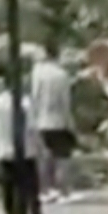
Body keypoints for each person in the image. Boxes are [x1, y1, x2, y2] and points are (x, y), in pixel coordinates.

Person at [0, 80, 47, 214]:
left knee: (8, 189)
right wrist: (40, 147)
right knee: (31, 190)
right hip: (26, 151)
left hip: (4, 150)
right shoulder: (26, 103)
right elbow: (33, 127)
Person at [30, 40, 76, 202]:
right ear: (57, 54)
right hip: (59, 120)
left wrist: (33, 119)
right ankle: (62, 190)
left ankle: (44, 190)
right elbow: (65, 102)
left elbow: (34, 97)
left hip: (41, 120)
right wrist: (70, 122)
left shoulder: (37, 72)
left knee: (43, 157)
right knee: (62, 157)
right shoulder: (62, 74)